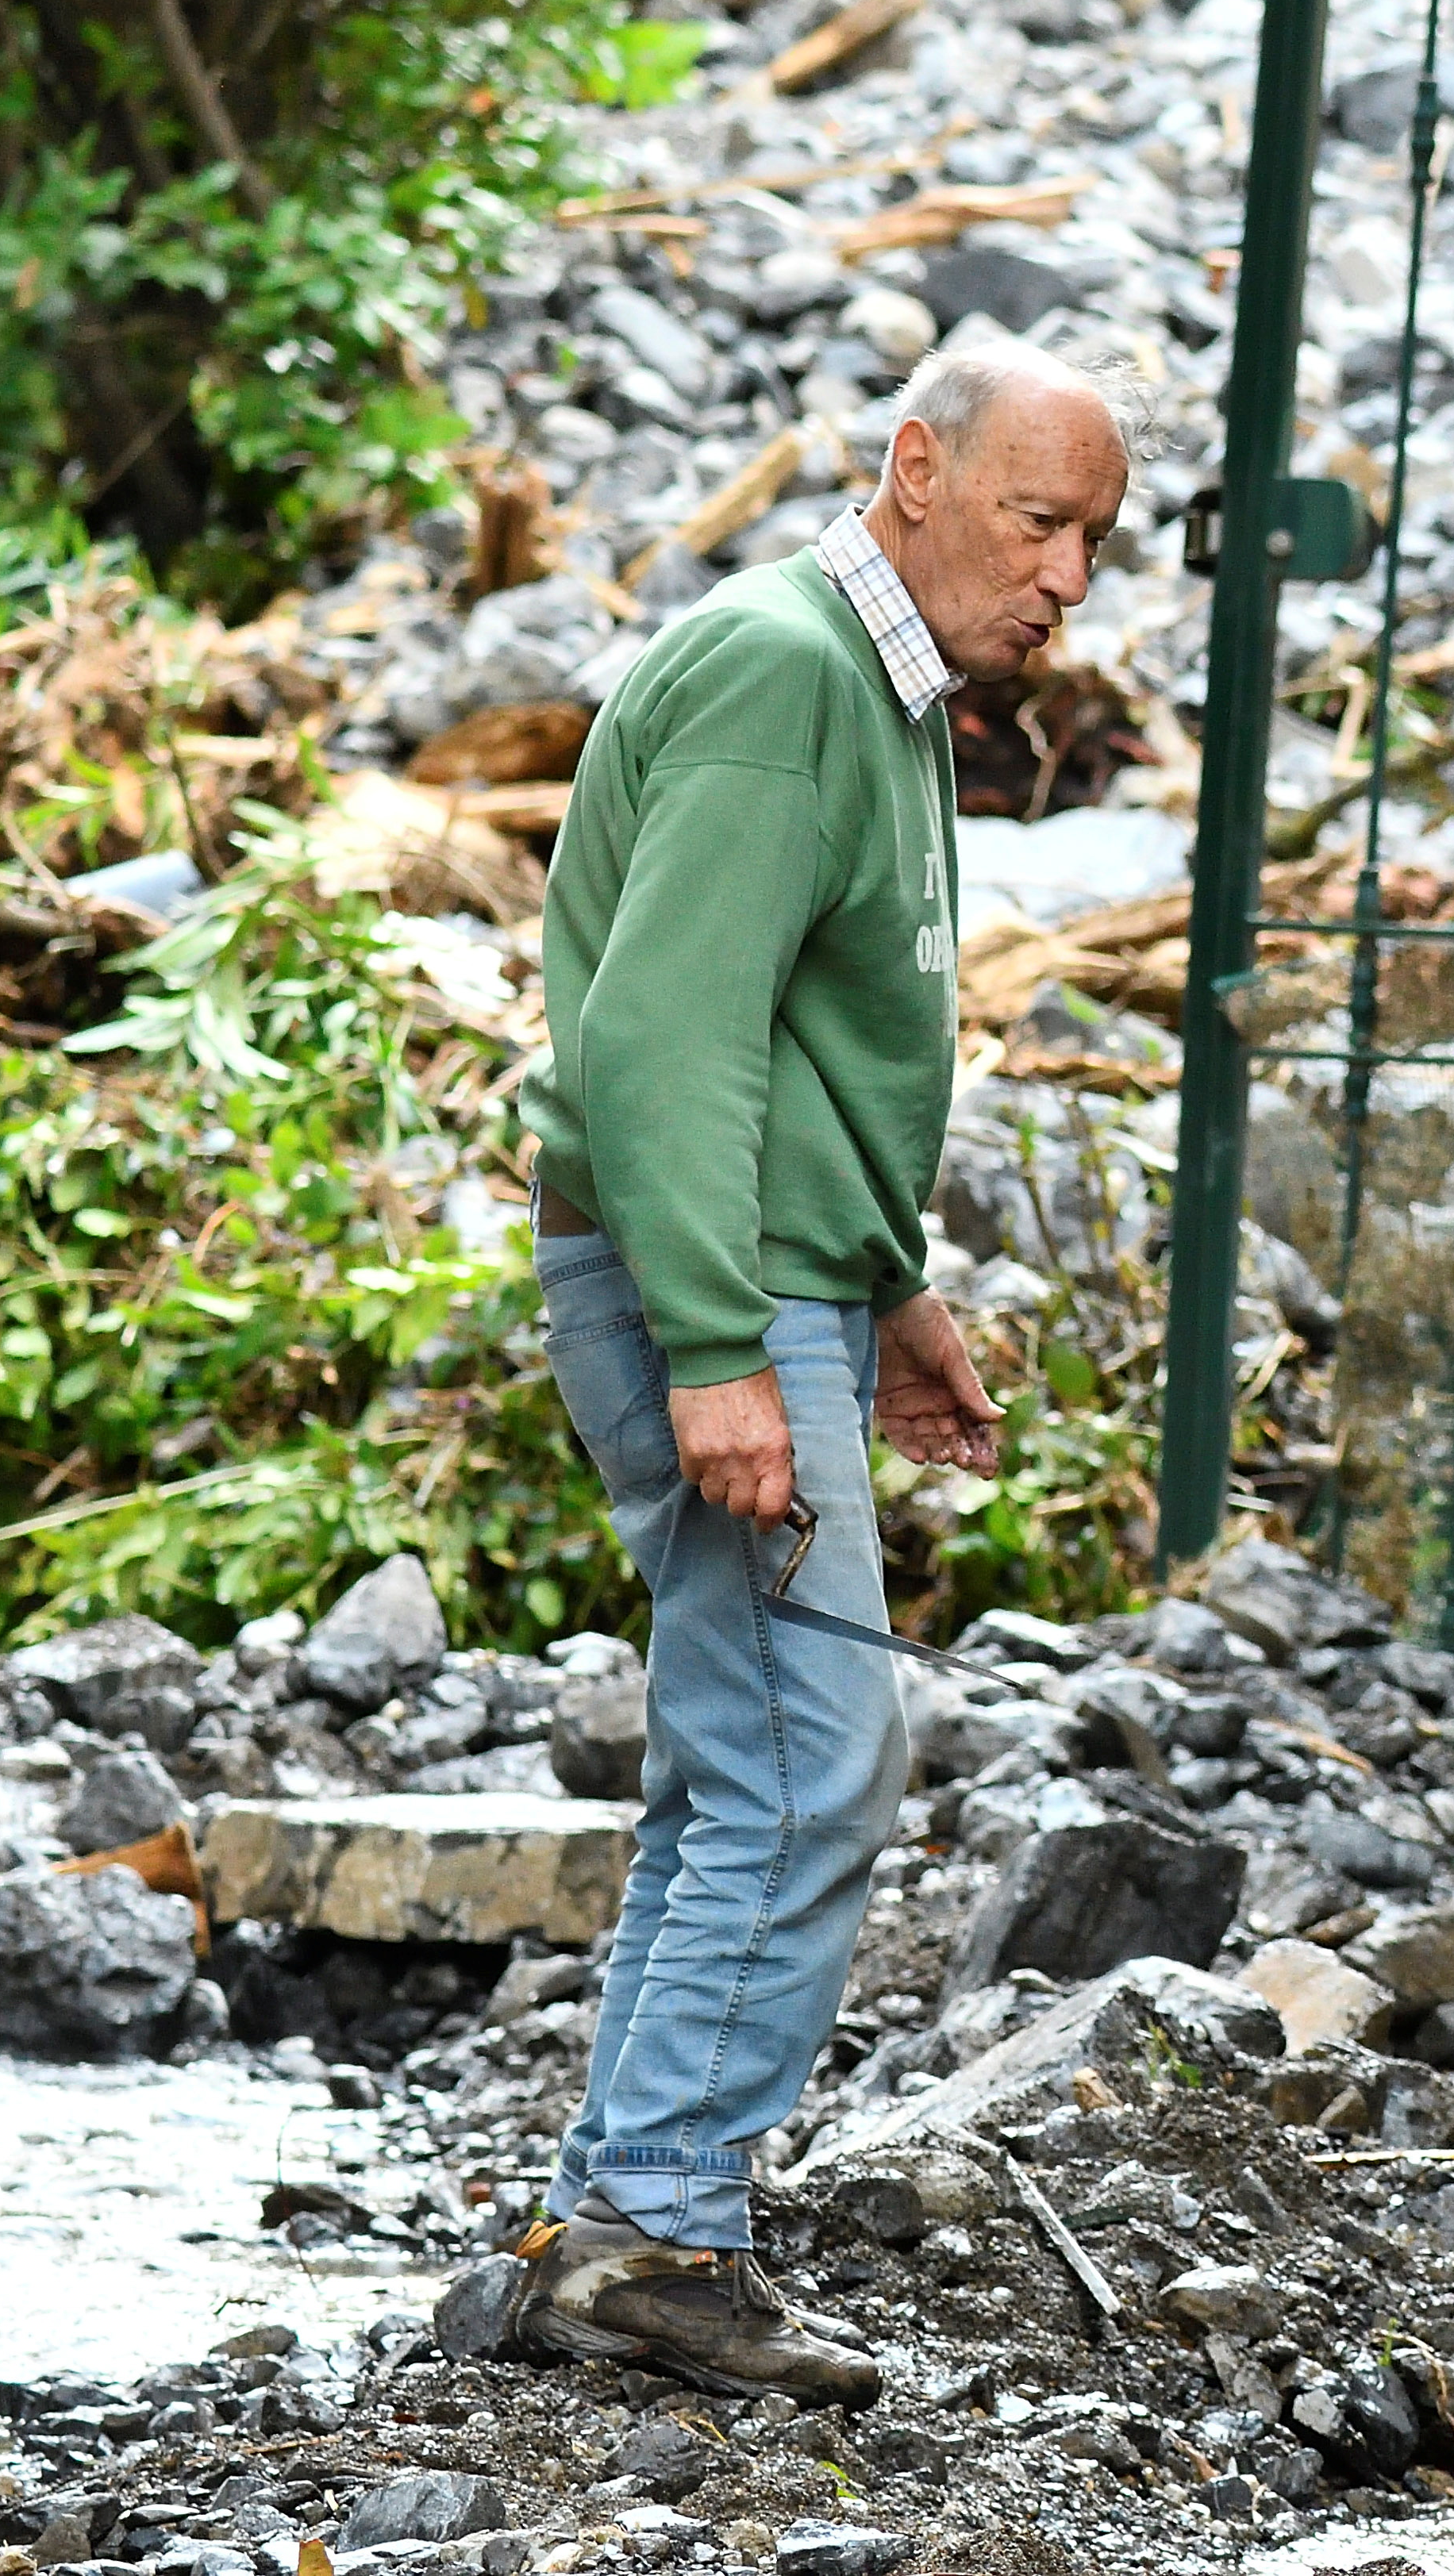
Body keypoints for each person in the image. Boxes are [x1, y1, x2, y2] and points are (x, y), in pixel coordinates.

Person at [507, 339, 1133, 2394]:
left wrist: (881, 1283)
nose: (1064, 578)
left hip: (763, 1277)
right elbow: (659, 1039)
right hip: (706, 1288)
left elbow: (782, 1041)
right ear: (915, 467)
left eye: (1094, 542)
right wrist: (720, 1348)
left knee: (742, 1761)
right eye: (1036, 522)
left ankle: (627, 2218)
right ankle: (651, 2237)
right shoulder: (791, 676)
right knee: (815, 1762)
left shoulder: (856, 682)